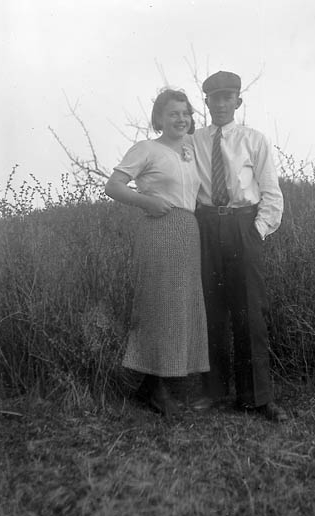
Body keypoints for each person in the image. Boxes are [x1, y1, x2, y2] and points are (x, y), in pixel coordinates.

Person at [188, 71, 288, 422]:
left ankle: (256, 398)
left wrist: (256, 231)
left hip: (242, 225)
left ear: (238, 102)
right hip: (205, 226)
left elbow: (271, 192)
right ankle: (213, 391)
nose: (220, 104)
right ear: (206, 102)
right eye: (214, 98)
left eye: (227, 97)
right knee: (210, 311)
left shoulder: (253, 140)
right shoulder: (193, 141)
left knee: (249, 312)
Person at [105, 89, 210, 418]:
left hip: (188, 230)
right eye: (173, 113)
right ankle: (155, 387)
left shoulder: (192, 151)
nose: (181, 119)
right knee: (160, 303)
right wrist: (145, 201)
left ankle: (155, 383)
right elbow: (113, 186)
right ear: (159, 119)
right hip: (159, 228)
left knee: (180, 306)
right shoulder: (146, 149)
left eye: (186, 113)